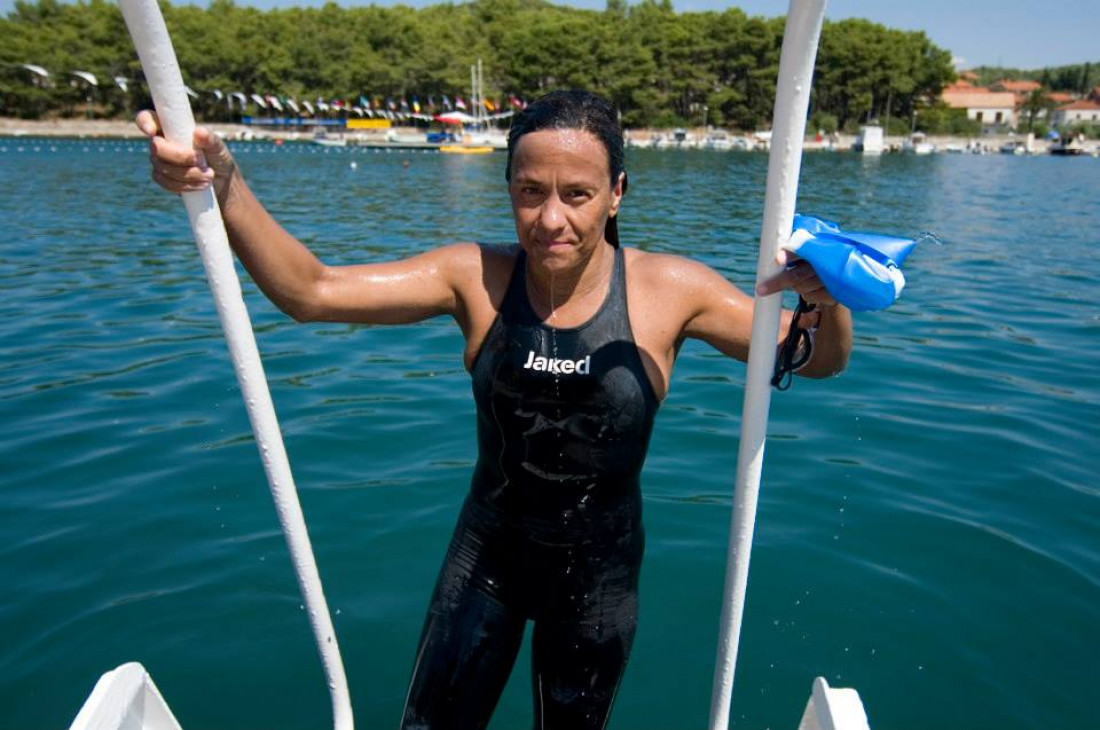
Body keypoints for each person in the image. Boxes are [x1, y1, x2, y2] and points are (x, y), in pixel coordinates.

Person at [138, 89, 852, 730]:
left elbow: (815, 357)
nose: (550, 219)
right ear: (508, 186)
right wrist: (223, 182)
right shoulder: (475, 277)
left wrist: (825, 297)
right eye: (529, 190)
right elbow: (312, 291)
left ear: (617, 194)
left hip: (598, 580)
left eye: (577, 194)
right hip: (485, 563)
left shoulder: (672, 289)